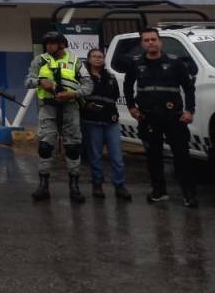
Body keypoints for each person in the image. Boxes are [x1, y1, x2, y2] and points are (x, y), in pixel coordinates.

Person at [124, 27, 198, 208]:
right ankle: (159, 191)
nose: (151, 43)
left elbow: (189, 88)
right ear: (142, 43)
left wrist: (190, 110)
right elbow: (127, 85)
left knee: (181, 156)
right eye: (147, 40)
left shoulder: (174, 62)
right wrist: (131, 107)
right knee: (153, 157)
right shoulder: (136, 63)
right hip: (148, 118)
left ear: (160, 42)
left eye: (153, 39)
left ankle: (188, 194)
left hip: (174, 118)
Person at [24, 31, 92, 204]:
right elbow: (27, 81)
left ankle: (74, 186)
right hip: (48, 108)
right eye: (46, 44)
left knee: (73, 147)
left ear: (62, 44)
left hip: (70, 107)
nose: (48, 46)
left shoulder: (75, 61)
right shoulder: (40, 60)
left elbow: (88, 85)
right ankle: (43, 185)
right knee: (45, 146)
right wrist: (40, 82)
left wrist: (73, 94)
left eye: (52, 43)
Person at [82, 47, 131, 201]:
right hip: (92, 121)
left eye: (100, 57)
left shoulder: (110, 77)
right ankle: (97, 184)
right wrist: (87, 105)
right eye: (94, 56)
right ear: (89, 59)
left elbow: (115, 95)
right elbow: (79, 96)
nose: (98, 59)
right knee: (95, 156)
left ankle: (119, 185)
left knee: (117, 156)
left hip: (111, 121)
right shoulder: (83, 77)